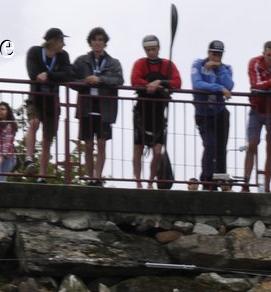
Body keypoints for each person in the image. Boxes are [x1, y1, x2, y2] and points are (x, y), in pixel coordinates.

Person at [72, 28, 122, 186]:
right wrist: (85, 82)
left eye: (100, 39)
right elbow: (71, 79)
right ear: (90, 42)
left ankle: (97, 177)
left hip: (105, 107)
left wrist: (99, 80)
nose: (97, 42)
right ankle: (89, 176)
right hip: (86, 105)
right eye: (94, 40)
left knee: (101, 142)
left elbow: (119, 80)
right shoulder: (81, 61)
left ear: (105, 42)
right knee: (87, 144)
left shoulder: (113, 62)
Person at [130, 35, 179, 186]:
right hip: (142, 111)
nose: (151, 52)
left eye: (154, 49)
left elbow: (177, 82)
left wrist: (160, 82)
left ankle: (151, 181)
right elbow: (134, 80)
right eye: (148, 50)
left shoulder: (167, 65)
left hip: (159, 113)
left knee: (157, 151)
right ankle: (138, 182)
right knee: (138, 147)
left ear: (158, 49)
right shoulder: (140, 63)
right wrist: (148, 85)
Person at [23, 28, 71, 179]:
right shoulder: (35, 52)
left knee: (47, 140)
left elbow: (68, 74)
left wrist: (49, 74)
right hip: (36, 97)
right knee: (34, 123)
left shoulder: (63, 56)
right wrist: (52, 77)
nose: (63, 44)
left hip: (52, 102)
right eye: (61, 41)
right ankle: (28, 159)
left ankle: (42, 175)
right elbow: (33, 74)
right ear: (53, 41)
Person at [243, 41, 271, 191]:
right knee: (252, 144)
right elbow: (255, 85)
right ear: (263, 54)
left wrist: (270, 85)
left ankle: (267, 186)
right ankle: (246, 183)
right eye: (269, 55)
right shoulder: (254, 63)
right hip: (257, 109)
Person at [190, 39, 234, 186]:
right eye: (214, 54)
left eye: (219, 55)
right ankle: (207, 180)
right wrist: (218, 88)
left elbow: (229, 85)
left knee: (221, 147)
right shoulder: (198, 64)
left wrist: (219, 68)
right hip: (203, 114)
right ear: (208, 53)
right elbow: (197, 84)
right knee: (210, 145)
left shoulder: (226, 68)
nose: (216, 57)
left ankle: (220, 179)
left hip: (220, 112)